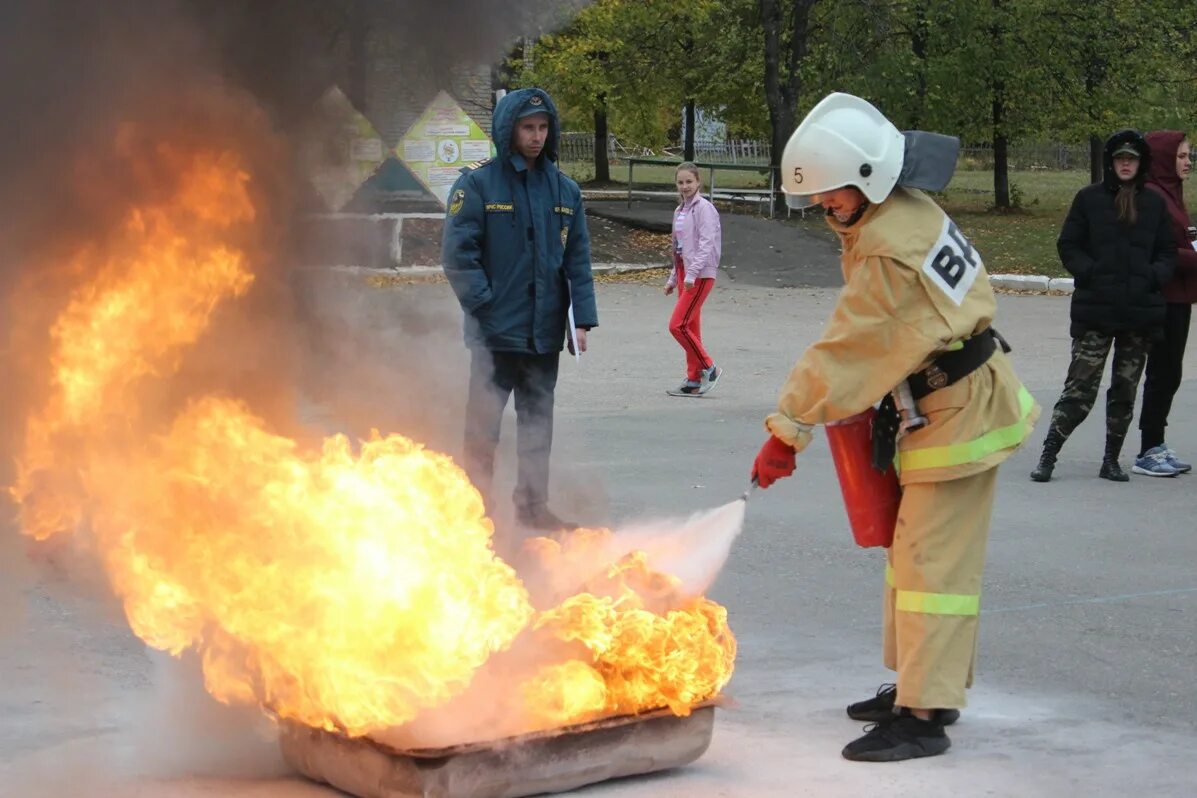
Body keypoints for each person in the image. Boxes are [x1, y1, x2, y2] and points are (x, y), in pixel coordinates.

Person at [750, 92, 1039, 762]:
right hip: (940, 402)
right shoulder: (904, 208)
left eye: (831, 195)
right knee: (912, 557)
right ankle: (916, 683)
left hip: (957, 412)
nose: (824, 207)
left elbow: (849, 349)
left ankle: (924, 715)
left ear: (868, 177)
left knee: (932, 567)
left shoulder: (885, 249)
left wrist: (787, 426)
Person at [441, 87, 598, 530]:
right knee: (483, 430)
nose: (536, 136)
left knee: (536, 427)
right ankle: (474, 513)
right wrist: (485, 307)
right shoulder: (477, 185)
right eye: (527, 128)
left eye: (543, 128)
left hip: (544, 334)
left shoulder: (565, 191)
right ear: (508, 131)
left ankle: (533, 508)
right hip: (494, 336)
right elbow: (458, 257)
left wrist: (580, 320)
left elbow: (577, 258)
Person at [1030, 130, 1176, 482]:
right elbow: (1069, 245)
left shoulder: (1155, 204)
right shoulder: (1089, 199)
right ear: (1111, 163)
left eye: (1132, 159)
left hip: (1137, 315)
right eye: (1120, 158)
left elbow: (1167, 253)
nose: (1126, 164)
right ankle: (1049, 453)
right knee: (1079, 389)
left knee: (1124, 391)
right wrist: (1091, 273)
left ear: (1140, 164)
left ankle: (1111, 460)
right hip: (1095, 312)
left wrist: (1151, 277)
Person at [1135, 130, 1196, 476]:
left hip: (1178, 297)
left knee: (1169, 371)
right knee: (1163, 372)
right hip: (1163, 299)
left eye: (1189, 156)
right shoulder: (1154, 197)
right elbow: (1163, 252)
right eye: (1181, 156)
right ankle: (1148, 450)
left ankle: (1156, 444)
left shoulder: (1171, 193)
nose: (1188, 162)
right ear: (1162, 157)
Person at [664, 162, 723, 396]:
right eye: (681, 182)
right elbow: (679, 248)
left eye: (689, 181)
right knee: (690, 327)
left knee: (677, 325)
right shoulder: (680, 211)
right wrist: (673, 278)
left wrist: (691, 274)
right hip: (684, 272)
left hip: (699, 274)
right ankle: (693, 379)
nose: (685, 186)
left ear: (698, 182)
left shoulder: (704, 208)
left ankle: (710, 368)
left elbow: (706, 243)